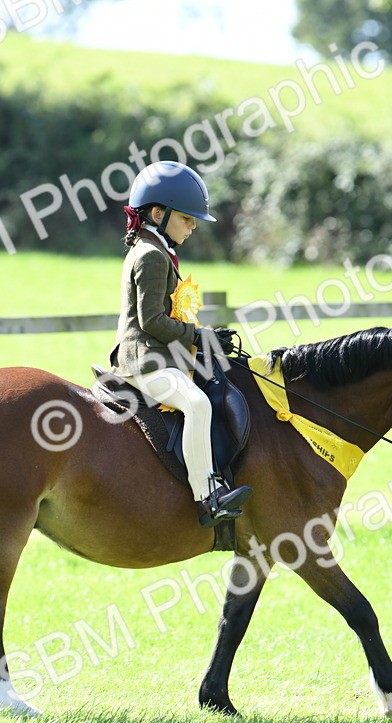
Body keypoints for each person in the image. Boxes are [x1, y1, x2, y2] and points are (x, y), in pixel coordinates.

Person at [109, 161, 252, 528]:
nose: (192, 227)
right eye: (187, 219)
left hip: (159, 356)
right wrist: (197, 336)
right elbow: (151, 321)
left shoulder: (154, 249)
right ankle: (208, 497)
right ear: (158, 214)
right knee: (197, 404)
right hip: (145, 362)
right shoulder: (151, 255)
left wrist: (203, 338)